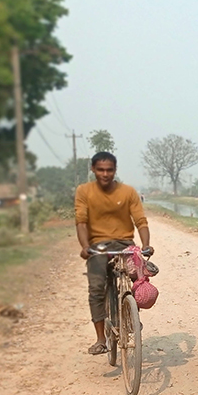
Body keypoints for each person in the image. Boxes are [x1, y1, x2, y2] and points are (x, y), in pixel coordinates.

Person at [74, 152, 152, 355]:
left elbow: (140, 221)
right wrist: (84, 246)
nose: (105, 173)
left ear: (115, 170)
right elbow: (81, 221)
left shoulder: (128, 192)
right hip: (98, 246)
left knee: (138, 277)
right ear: (93, 170)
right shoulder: (84, 191)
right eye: (100, 169)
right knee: (97, 288)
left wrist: (146, 244)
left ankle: (131, 314)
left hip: (124, 243)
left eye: (109, 170)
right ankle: (101, 339)